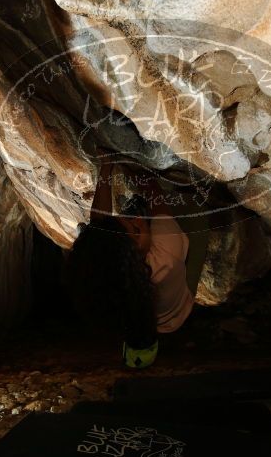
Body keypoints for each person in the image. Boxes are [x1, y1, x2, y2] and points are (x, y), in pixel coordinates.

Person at [66, 153, 195, 368]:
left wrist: (107, 166)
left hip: (158, 310)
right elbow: (154, 193)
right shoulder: (166, 255)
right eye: (136, 228)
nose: (136, 220)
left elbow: (100, 223)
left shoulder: (104, 277)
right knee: (193, 211)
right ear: (138, 252)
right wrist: (134, 164)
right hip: (180, 307)